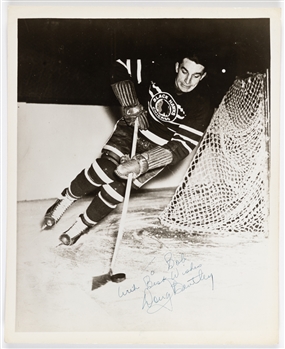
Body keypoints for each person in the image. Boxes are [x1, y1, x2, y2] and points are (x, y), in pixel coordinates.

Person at [41, 52, 214, 246]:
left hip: (158, 149)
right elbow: (120, 65)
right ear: (176, 67)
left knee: (118, 188)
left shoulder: (203, 104)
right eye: (184, 71)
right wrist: (130, 103)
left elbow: (182, 145)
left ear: (203, 76)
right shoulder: (159, 66)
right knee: (105, 169)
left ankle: (80, 226)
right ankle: (65, 199)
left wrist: (143, 162)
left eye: (196, 75)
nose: (187, 81)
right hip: (132, 131)